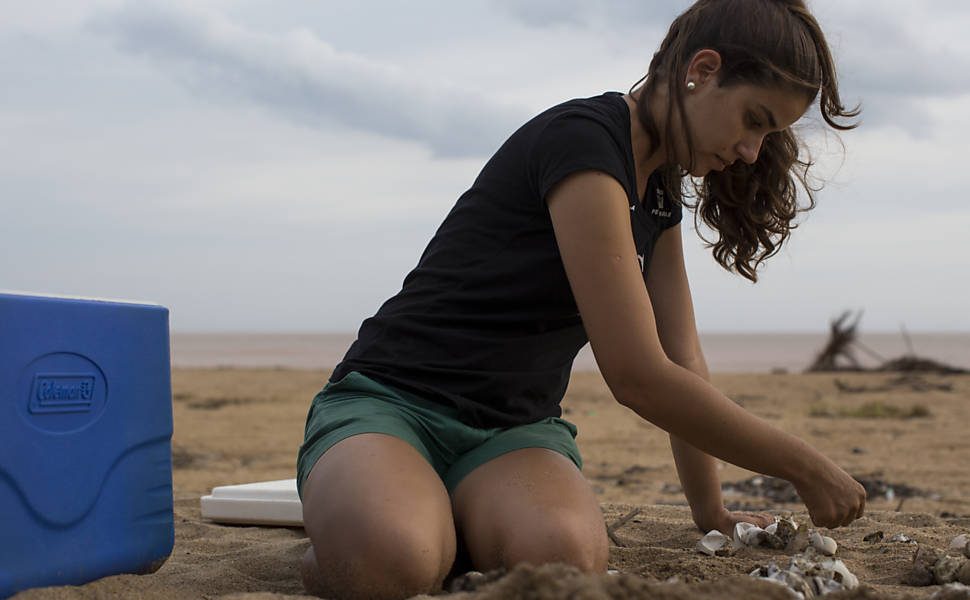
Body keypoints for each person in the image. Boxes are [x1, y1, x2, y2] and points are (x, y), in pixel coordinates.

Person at [297, 0, 867, 598]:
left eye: (768, 134)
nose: (753, 150)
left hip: (511, 432)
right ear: (701, 69)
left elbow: (681, 360)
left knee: (563, 561)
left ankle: (430, 516)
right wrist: (803, 464)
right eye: (754, 120)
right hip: (392, 403)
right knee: (392, 559)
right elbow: (637, 376)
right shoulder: (585, 143)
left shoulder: (659, 190)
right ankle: (367, 525)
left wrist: (711, 511)